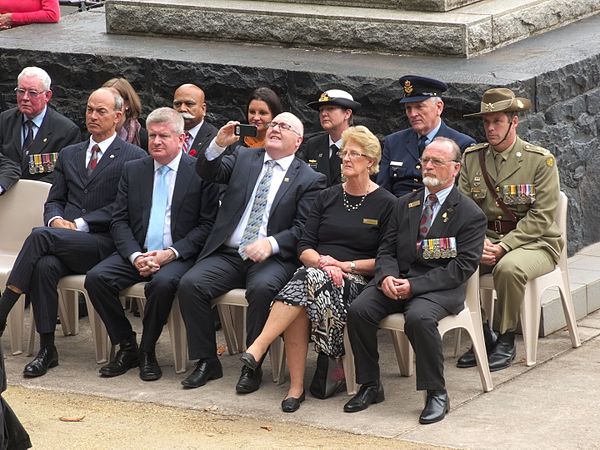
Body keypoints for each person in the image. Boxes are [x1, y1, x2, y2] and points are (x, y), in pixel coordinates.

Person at [239, 125, 396, 412]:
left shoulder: (387, 204)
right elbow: (305, 246)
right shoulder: (327, 196)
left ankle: (260, 347)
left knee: (304, 283)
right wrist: (324, 263)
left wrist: (343, 265)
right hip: (320, 274)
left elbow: (385, 259)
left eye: (354, 154)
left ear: (370, 162)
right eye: (344, 153)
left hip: (358, 281)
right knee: (307, 284)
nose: (346, 158)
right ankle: (296, 386)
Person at [0, 87, 146, 378]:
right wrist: (55, 220)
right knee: (44, 264)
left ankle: (2, 310)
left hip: (102, 243)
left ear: (118, 116)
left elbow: (123, 208)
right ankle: (47, 349)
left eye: (101, 111)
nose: (92, 116)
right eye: (90, 109)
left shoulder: (133, 157)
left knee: (39, 236)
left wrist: (79, 224)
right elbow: (55, 199)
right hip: (63, 241)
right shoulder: (70, 153)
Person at [177, 112, 326, 392]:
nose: (276, 128)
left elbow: (303, 229)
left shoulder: (309, 178)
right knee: (191, 284)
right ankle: (208, 361)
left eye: (285, 126)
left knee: (262, 290)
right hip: (230, 252)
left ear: (298, 141)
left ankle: (252, 366)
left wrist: (270, 243)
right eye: (274, 124)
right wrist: (218, 146)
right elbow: (207, 173)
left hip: (272, 257)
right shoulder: (245, 157)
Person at [345, 137, 487, 424]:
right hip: (398, 279)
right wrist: (386, 276)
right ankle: (370, 385)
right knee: (359, 311)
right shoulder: (404, 204)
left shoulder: (470, 214)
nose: (429, 166)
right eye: (425, 160)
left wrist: (414, 286)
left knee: (419, 319)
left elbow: (462, 268)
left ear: (456, 168)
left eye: (437, 161)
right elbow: (385, 249)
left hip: (438, 287)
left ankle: (436, 393)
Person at [85, 107, 219, 381]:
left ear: (181, 139)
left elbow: (207, 226)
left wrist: (170, 254)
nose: (156, 141)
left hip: (178, 255)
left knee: (162, 284)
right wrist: (135, 256)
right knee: (96, 279)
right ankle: (126, 345)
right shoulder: (134, 170)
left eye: (164, 136)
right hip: (138, 252)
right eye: (153, 135)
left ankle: (147, 351)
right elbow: (119, 220)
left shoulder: (199, 173)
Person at [457, 87, 562, 372]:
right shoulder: (472, 158)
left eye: (498, 121)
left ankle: (505, 339)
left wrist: (504, 246)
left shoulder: (539, 160)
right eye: (486, 122)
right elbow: (463, 209)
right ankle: (482, 334)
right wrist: (477, 244)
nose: (490, 129)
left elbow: (542, 216)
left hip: (536, 243)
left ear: (514, 122)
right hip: (485, 239)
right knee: (451, 259)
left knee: (509, 268)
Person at [377, 75, 475, 197]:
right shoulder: (393, 142)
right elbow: (383, 191)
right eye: (408, 108)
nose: (413, 114)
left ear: (438, 107)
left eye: (419, 107)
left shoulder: (462, 144)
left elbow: (461, 196)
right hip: (398, 211)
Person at [0, 66, 81, 183]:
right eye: (21, 91)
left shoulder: (66, 131)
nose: (25, 98)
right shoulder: (4, 121)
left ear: (47, 96)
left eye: (32, 93)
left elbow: (65, 173)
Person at [299, 89, 360, 186]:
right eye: (321, 110)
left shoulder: (360, 145)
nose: (324, 114)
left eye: (330, 108)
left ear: (347, 114)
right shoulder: (313, 145)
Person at [102, 77, 148, 151]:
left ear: (127, 103)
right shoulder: (94, 133)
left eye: (114, 99)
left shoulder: (142, 137)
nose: (107, 103)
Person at [172, 84, 218, 157]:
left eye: (189, 104)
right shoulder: (160, 133)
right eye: (177, 104)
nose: (182, 109)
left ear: (203, 109)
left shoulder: (215, 139)